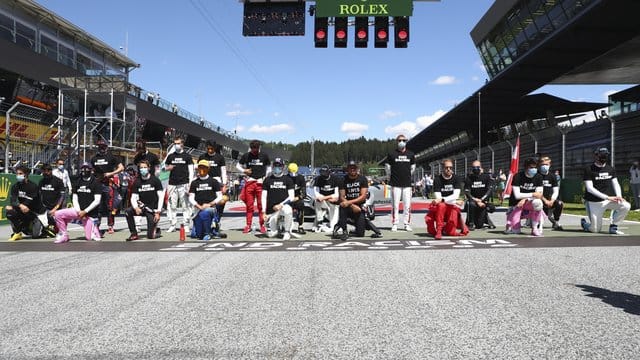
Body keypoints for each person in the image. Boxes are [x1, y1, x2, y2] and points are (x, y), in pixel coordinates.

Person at [581, 147, 630, 234]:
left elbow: (616, 183)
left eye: (605, 155)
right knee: (595, 230)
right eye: (601, 155)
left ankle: (614, 227)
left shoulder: (610, 169)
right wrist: (607, 197)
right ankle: (585, 224)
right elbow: (590, 188)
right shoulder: (588, 169)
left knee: (626, 205)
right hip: (594, 202)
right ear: (595, 156)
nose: (603, 157)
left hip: (608, 200)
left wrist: (619, 196)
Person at [53, 162, 102, 243]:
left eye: (87, 168)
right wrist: (79, 211)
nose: (84, 170)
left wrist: (85, 211)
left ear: (91, 170)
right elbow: (75, 198)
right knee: (58, 214)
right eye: (83, 168)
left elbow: (97, 201)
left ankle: (94, 228)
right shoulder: (77, 182)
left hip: (89, 214)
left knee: (89, 238)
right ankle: (64, 234)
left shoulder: (96, 183)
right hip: (78, 211)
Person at [425, 159, 468, 239]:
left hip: (451, 205)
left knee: (451, 232)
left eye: (450, 167)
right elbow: (438, 197)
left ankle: (445, 228)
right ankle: (439, 230)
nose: (449, 169)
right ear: (442, 168)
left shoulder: (456, 178)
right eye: (446, 167)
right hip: (442, 206)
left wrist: (447, 200)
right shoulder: (437, 179)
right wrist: (454, 201)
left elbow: (455, 195)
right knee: (441, 206)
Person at [90, 138, 124, 234]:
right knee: (98, 206)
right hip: (98, 185)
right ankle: (97, 225)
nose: (101, 148)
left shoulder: (111, 157)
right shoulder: (94, 158)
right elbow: (91, 170)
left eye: (103, 146)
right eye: (99, 146)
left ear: (106, 147)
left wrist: (111, 173)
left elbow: (121, 168)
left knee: (110, 206)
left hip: (108, 184)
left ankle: (110, 226)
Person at [504, 157, 545, 236]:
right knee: (515, 231)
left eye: (535, 167)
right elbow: (517, 195)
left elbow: (539, 195)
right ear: (526, 167)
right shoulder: (518, 176)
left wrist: (526, 199)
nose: (534, 169)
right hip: (516, 204)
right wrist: (532, 194)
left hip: (529, 203)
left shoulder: (539, 177)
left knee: (538, 203)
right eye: (531, 167)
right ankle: (513, 225)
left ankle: (534, 228)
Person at [124, 160, 164, 241]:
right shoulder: (137, 181)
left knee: (150, 236)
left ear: (149, 168)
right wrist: (135, 208)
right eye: (141, 168)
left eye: (145, 167)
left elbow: (161, 196)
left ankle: (156, 230)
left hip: (152, 209)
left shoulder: (155, 180)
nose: (143, 169)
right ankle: (134, 234)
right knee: (128, 211)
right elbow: (133, 197)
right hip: (142, 207)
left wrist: (158, 212)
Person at [236, 140, 270, 233]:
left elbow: (269, 167)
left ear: (259, 148)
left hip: (260, 182)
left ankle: (262, 225)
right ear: (250, 148)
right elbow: (237, 165)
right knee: (249, 206)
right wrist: (244, 171)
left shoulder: (264, 155)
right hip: (250, 182)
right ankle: (248, 225)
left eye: (256, 149)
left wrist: (266, 176)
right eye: (252, 149)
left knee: (261, 205)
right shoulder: (246, 155)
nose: (254, 151)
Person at [385, 134, 416, 232]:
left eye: (403, 140)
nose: (401, 142)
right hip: (395, 184)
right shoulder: (391, 154)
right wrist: (390, 177)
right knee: (395, 205)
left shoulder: (411, 154)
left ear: (406, 141)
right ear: (396, 142)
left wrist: (407, 175)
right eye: (399, 140)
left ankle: (406, 224)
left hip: (407, 184)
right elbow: (387, 167)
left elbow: (413, 167)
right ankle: (395, 223)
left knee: (407, 205)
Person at [261, 158, 297, 240]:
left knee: (288, 210)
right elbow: (263, 196)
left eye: (279, 165)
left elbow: (291, 197)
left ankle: (287, 231)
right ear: (273, 166)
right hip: (271, 209)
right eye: (276, 165)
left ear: (283, 167)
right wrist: (263, 212)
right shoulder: (267, 180)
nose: (277, 167)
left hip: (283, 207)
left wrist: (281, 205)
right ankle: (277, 227)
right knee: (271, 234)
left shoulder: (288, 179)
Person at [189, 160, 224, 241]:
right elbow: (191, 198)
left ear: (208, 169)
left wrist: (209, 204)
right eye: (200, 167)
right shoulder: (194, 182)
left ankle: (208, 233)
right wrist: (199, 206)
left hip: (210, 208)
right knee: (195, 235)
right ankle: (213, 230)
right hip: (198, 209)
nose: (202, 169)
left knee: (206, 212)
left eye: (204, 167)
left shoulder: (214, 181)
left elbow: (219, 197)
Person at [6, 166, 44, 241]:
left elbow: (29, 202)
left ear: (26, 174)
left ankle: (36, 223)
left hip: (35, 212)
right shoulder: (15, 186)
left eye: (20, 173)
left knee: (35, 236)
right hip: (23, 209)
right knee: (10, 212)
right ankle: (17, 232)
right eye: (17, 174)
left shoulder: (33, 186)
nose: (18, 175)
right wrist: (18, 205)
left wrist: (19, 206)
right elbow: (13, 201)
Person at [165, 136, 194, 233]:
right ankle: (172, 224)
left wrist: (190, 184)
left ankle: (186, 224)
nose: (176, 145)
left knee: (185, 205)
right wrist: (168, 168)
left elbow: (191, 171)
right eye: (174, 143)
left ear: (182, 144)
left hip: (184, 183)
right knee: (172, 205)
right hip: (172, 183)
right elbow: (164, 168)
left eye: (178, 143)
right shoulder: (170, 156)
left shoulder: (187, 156)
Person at [335, 160, 369, 241]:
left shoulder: (363, 179)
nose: (352, 170)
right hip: (348, 205)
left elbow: (363, 196)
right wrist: (351, 205)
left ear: (357, 169)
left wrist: (351, 203)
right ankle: (344, 231)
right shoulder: (342, 180)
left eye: (354, 168)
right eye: (351, 168)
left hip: (359, 205)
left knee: (361, 234)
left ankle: (355, 226)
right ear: (347, 169)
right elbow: (342, 196)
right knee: (342, 206)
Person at [198, 141, 228, 224]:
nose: (210, 150)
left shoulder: (220, 157)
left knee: (220, 202)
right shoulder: (202, 157)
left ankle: (216, 221)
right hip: (205, 181)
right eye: (208, 148)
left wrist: (224, 185)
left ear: (215, 148)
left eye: (212, 149)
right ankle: (206, 221)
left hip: (217, 182)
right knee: (206, 201)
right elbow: (198, 170)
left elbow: (223, 171)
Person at [464, 160, 495, 230]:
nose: (476, 169)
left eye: (477, 167)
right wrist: (476, 200)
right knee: (470, 204)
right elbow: (467, 192)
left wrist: (481, 200)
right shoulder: (469, 178)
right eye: (474, 167)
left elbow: (489, 191)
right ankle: (470, 223)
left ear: (481, 167)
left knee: (479, 225)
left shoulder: (486, 177)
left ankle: (486, 218)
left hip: (483, 202)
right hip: (473, 201)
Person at [37, 163, 65, 238]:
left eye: (48, 171)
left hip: (56, 208)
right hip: (45, 208)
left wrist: (55, 209)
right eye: (44, 171)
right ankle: (45, 229)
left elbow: (62, 196)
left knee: (54, 232)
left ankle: (56, 228)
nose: (46, 173)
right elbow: (39, 195)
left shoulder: (58, 181)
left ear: (51, 171)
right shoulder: (41, 181)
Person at [538, 156, 564, 230]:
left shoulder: (552, 176)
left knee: (559, 203)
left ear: (550, 165)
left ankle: (556, 222)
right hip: (539, 200)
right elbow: (536, 191)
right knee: (540, 220)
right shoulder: (536, 175)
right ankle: (531, 220)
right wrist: (545, 200)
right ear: (539, 165)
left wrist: (551, 200)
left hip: (550, 201)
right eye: (543, 164)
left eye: (546, 164)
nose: (545, 166)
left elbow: (556, 191)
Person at [312, 164, 340, 233]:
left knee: (334, 206)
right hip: (323, 200)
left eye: (325, 173)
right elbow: (316, 193)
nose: (323, 175)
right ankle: (319, 221)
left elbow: (336, 194)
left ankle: (332, 224)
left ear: (329, 172)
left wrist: (326, 197)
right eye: (322, 173)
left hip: (332, 200)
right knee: (317, 201)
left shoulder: (335, 179)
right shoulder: (318, 179)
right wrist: (322, 198)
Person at [287, 162, 307, 234]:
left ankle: (300, 226)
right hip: (288, 199)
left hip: (297, 198)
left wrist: (298, 197)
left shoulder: (301, 178)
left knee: (301, 205)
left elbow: (304, 193)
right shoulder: (286, 178)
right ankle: (285, 226)